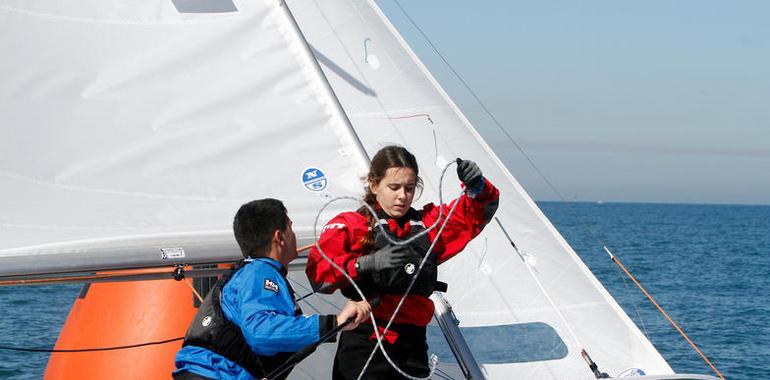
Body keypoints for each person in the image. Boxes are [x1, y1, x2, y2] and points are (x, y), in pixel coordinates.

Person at [305, 146, 499, 379]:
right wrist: (365, 264)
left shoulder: (427, 225)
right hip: (365, 345)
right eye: (394, 187)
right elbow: (319, 277)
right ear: (374, 185)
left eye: (409, 188)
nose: (402, 196)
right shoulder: (351, 224)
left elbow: (472, 216)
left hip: (412, 347)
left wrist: (478, 187)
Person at [174, 198, 372, 380]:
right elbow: (260, 332)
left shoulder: (250, 272)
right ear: (280, 237)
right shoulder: (259, 273)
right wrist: (334, 323)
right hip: (216, 374)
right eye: (291, 228)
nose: (294, 235)